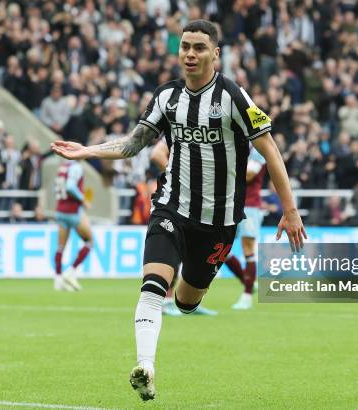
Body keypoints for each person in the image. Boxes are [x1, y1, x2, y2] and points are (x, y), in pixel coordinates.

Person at [51, 20, 306, 402]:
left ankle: (188, 298)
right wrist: (88, 151)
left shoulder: (234, 98)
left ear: (215, 53)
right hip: (171, 206)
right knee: (153, 286)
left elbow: (270, 150)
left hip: (218, 223)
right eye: (185, 46)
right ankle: (145, 366)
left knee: (187, 302)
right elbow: (135, 143)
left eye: (199, 47)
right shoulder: (167, 96)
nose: (190, 54)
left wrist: (290, 209)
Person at [149, 139, 218, 317]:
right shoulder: (179, 127)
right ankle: (167, 301)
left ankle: (190, 301)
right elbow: (156, 154)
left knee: (196, 256)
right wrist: (180, 180)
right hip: (176, 203)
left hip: (203, 206)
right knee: (172, 252)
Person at [223, 145, 266, 310]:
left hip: (250, 205)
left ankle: (247, 295)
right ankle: (248, 282)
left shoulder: (258, 149)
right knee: (221, 249)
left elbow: (249, 174)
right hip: (229, 204)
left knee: (248, 248)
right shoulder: (232, 144)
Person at [53, 159, 93, 292]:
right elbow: (70, 186)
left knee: (60, 247)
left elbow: (57, 188)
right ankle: (70, 272)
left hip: (60, 210)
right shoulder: (76, 167)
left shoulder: (62, 167)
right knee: (89, 241)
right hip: (72, 211)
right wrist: (83, 200)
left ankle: (58, 280)